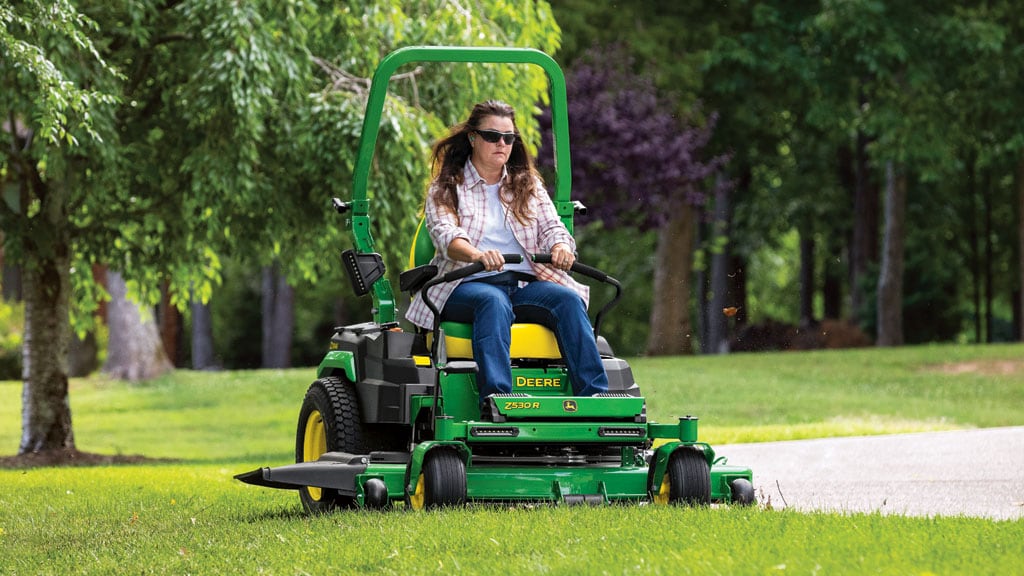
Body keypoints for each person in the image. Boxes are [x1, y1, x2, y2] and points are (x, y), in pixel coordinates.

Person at [405, 100, 608, 409]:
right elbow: (447, 235)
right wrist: (477, 254)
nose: (501, 143)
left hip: (523, 284)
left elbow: (552, 226)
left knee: (567, 299)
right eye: (492, 136)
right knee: (492, 300)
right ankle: (498, 399)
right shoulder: (446, 187)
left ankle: (596, 398)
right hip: (463, 284)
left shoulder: (528, 185)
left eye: (508, 138)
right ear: (473, 138)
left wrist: (561, 247)